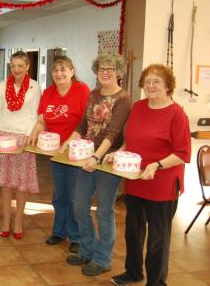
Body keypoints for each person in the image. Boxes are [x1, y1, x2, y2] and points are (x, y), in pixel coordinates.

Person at [109, 64, 191, 286]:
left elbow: (182, 154)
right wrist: (120, 152)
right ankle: (133, 272)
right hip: (136, 180)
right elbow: (132, 138)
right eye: (147, 81)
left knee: (158, 238)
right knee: (133, 232)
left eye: (156, 81)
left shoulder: (177, 114)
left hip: (162, 184)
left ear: (167, 86)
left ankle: (156, 282)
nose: (151, 85)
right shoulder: (138, 107)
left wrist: (156, 165)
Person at [62, 52, 131, 276]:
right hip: (88, 155)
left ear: (118, 72)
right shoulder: (93, 95)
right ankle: (87, 250)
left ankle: (102, 259)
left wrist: (97, 158)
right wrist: (68, 142)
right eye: (101, 68)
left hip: (107, 159)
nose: (105, 72)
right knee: (80, 206)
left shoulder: (123, 99)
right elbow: (84, 126)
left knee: (104, 211)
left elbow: (113, 133)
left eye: (110, 68)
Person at [29, 55, 90, 253]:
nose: (59, 73)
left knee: (74, 195)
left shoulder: (82, 91)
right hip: (56, 151)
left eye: (64, 69)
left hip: (76, 151)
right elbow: (42, 119)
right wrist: (34, 133)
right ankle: (58, 231)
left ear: (72, 71)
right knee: (59, 194)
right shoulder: (49, 92)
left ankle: (76, 236)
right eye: (55, 70)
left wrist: (70, 143)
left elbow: (85, 123)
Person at [0, 51, 41, 239]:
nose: (15, 69)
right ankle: (5, 220)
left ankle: (18, 220)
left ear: (27, 67)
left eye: (20, 66)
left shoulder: (35, 86)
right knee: (5, 182)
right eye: (12, 66)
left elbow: (35, 115)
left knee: (22, 183)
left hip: (24, 138)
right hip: (4, 137)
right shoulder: (2, 86)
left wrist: (28, 136)